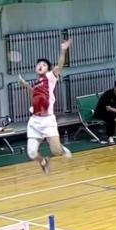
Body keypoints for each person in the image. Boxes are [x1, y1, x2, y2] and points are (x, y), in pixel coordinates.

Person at [19, 41, 73, 174]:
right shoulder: (36, 83)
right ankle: (43, 161)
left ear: (48, 69)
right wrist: (25, 85)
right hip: (34, 122)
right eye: (39, 64)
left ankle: (60, 148)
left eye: (44, 65)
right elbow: (34, 92)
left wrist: (63, 50)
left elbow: (60, 65)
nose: (40, 66)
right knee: (32, 153)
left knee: (56, 151)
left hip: (48, 120)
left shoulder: (50, 77)